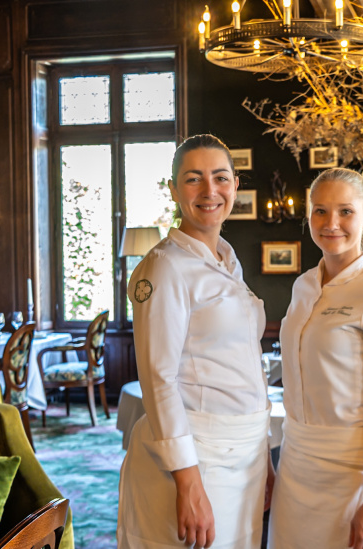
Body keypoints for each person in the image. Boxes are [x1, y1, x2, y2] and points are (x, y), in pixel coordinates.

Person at [117, 134, 273, 549]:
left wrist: (265, 458)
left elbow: (243, 359)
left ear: (235, 185)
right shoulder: (164, 266)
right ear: (172, 189)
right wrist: (187, 480)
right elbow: (158, 377)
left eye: (221, 178)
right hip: (196, 456)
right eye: (193, 179)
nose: (210, 191)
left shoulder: (226, 258)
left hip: (245, 452)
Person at [268, 168, 363, 549]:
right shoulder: (303, 286)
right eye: (320, 211)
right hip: (295, 463)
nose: (331, 223)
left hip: (354, 475)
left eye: (345, 211)